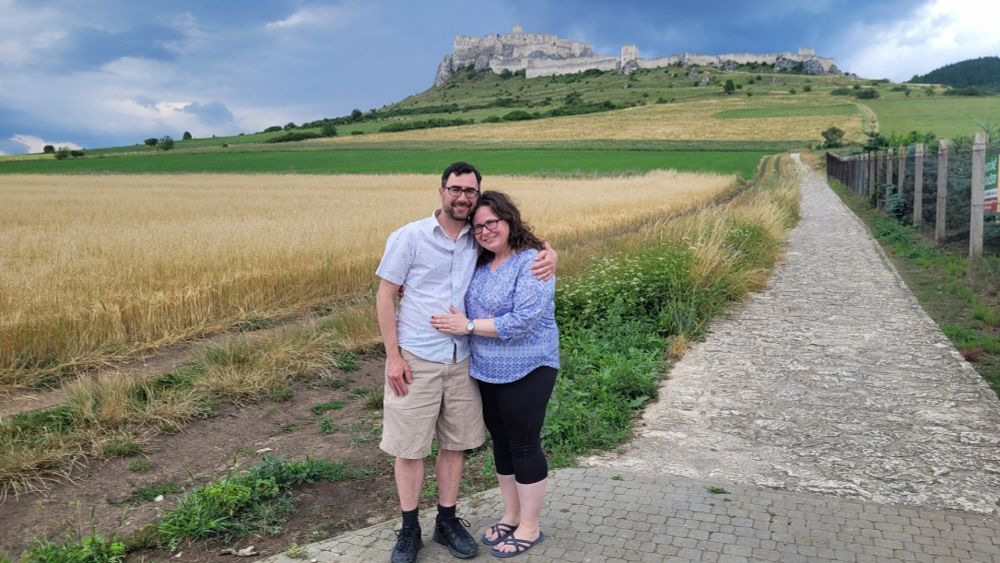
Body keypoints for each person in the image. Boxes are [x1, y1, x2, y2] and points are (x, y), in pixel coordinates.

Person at [375, 162, 556, 563]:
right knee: (410, 449)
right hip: (417, 358)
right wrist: (392, 356)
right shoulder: (410, 237)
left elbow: (518, 242)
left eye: (469, 191)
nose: (462, 197)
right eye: (455, 189)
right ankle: (408, 530)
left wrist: (550, 253)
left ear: (478, 194)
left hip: (464, 361)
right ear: (441, 189)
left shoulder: (479, 238)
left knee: (455, 446)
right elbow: (385, 295)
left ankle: (448, 521)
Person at [430, 191, 559, 559]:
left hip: (530, 366)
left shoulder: (532, 262)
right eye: (479, 225)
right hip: (487, 370)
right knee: (502, 445)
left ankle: (530, 527)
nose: (485, 230)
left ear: (509, 221)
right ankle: (512, 514)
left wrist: (466, 325)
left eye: (493, 222)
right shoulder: (481, 266)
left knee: (524, 444)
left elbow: (522, 321)